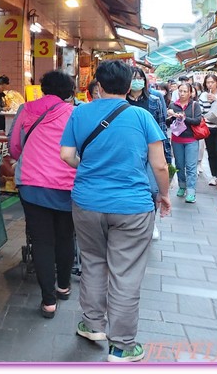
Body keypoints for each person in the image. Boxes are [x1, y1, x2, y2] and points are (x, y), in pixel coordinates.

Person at [60, 60, 171, 363]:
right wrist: (164, 195)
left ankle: (93, 325)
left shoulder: (80, 112)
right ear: (129, 85)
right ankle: (121, 346)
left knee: (93, 263)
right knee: (126, 274)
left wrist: (89, 168)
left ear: (98, 84)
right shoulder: (142, 116)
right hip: (132, 207)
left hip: (87, 203)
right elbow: (160, 165)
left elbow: (66, 154)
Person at [8, 70, 76, 318]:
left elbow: (14, 146)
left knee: (41, 240)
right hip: (67, 185)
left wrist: (27, 158)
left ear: (44, 88)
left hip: (33, 184)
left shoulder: (27, 109)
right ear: (68, 92)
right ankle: (64, 286)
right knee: (65, 236)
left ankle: (48, 301)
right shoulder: (74, 113)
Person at [126, 67, 172, 238]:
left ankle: (151, 223)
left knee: (153, 189)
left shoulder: (154, 99)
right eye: (133, 78)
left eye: (140, 78)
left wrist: (167, 157)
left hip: (152, 150)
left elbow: (161, 129)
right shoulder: (122, 100)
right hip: (131, 151)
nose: (137, 81)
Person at [166, 82, 202, 203]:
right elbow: (167, 124)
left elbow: (197, 120)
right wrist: (171, 116)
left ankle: (191, 192)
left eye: (185, 91)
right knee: (179, 165)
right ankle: (182, 186)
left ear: (190, 93)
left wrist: (184, 118)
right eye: (180, 91)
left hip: (191, 140)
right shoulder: (173, 105)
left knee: (191, 166)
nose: (182, 93)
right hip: (177, 140)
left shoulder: (194, 105)